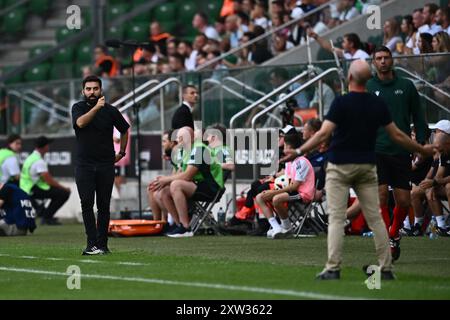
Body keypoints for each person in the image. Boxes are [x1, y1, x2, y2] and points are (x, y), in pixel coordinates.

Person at [289, 59, 432, 280]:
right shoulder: (377, 104)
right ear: (368, 79)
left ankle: (333, 268)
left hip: (340, 165)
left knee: (336, 218)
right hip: (367, 165)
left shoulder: (341, 102)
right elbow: (397, 135)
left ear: (349, 78)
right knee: (375, 217)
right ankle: (385, 268)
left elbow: (323, 134)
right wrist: (422, 148)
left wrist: (299, 151)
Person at [367, 46, 428, 262]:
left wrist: (421, 142)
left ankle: (393, 234)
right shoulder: (368, 86)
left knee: (403, 201)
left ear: (392, 60)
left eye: (386, 57)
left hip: (401, 149)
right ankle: (387, 239)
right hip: (376, 149)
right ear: (373, 62)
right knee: (381, 196)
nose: (383, 61)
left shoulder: (406, 86)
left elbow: (418, 116)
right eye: (379, 58)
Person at [72, 75, 130, 255]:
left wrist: (121, 153)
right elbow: (80, 123)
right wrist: (97, 108)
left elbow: (125, 129)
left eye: (95, 89)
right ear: (83, 91)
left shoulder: (111, 111)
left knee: (104, 205)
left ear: (101, 90)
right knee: (86, 204)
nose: (91, 92)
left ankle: (103, 244)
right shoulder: (78, 108)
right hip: (84, 165)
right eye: (88, 89)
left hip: (105, 164)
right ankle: (91, 244)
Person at [154, 127, 223, 237]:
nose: (178, 142)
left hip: (212, 187)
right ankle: (178, 225)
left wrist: (166, 179)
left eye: (181, 139)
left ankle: (186, 227)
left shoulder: (199, 149)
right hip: (197, 184)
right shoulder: (186, 151)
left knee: (176, 185)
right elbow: (180, 173)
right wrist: (163, 180)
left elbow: (187, 175)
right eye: (178, 139)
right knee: (162, 192)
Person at [255, 133, 315, 239]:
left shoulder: (301, 162)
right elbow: (287, 178)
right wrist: (273, 180)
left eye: (285, 146)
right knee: (260, 197)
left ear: (289, 147)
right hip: (292, 190)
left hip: (303, 194)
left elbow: (294, 187)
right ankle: (276, 227)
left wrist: (273, 192)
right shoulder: (290, 161)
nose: (283, 149)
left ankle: (287, 228)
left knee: (276, 199)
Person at [20, 136, 70, 226]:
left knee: (58, 193)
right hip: (31, 189)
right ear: (45, 147)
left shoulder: (31, 157)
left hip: (26, 187)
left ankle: (45, 214)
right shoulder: (38, 161)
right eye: (48, 144)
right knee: (63, 193)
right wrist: (64, 188)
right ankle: (46, 217)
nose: (49, 146)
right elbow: (48, 180)